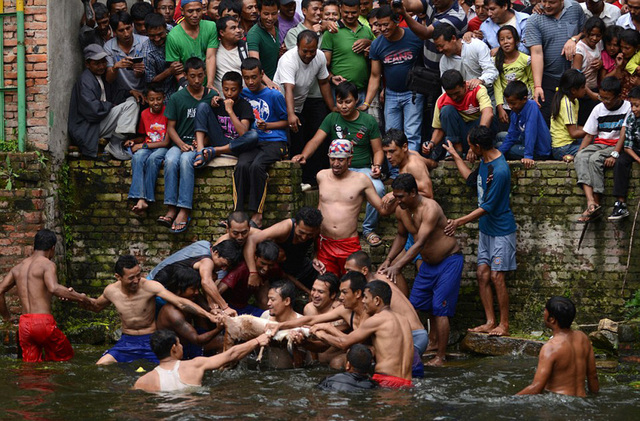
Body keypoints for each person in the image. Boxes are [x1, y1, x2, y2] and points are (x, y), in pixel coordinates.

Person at [379, 174, 462, 366]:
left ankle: (440, 356)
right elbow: (401, 236)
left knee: (440, 308)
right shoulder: (401, 210)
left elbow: (420, 243)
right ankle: (410, 347)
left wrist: (397, 266)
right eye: (396, 196)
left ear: (413, 193)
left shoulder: (430, 208)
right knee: (413, 305)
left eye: (401, 197)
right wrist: (389, 260)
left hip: (448, 261)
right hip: (427, 265)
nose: (397, 201)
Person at [292, 83, 386, 248]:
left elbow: (378, 150)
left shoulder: (368, 120)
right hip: (337, 167)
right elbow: (315, 140)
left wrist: (376, 165)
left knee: (378, 188)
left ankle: (368, 229)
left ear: (356, 100)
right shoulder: (332, 118)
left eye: (348, 102)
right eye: (340, 102)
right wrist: (303, 155)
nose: (343, 106)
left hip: (362, 171)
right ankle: (323, 231)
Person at [444, 126, 517, 337]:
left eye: (469, 145)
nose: (469, 148)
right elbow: (471, 180)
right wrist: (456, 156)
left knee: (497, 277)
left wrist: (459, 221)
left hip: (501, 231)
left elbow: (488, 207)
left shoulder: (500, 170)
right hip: (486, 231)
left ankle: (504, 324)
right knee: (482, 275)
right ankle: (489, 321)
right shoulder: (484, 162)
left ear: (477, 146)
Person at [85, 255, 219, 365]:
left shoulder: (150, 287)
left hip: (150, 340)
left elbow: (181, 302)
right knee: (101, 366)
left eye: (138, 275)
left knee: (170, 370)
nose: (136, 280)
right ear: (118, 277)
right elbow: (96, 306)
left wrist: (208, 315)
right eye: (131, 278)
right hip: (127, 341)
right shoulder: (111, 291)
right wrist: (78, 298)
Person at [0, 230, 91, 362]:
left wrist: (7, 318)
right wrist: (81, 297)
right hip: (43, 323)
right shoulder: (47, 264)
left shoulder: (18, 268)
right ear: (52, 248)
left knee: (31, 369)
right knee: (65, 356)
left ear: (34, 246)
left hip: (24, 324)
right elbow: (53, 287)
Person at [312, 281, 414, 388]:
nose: (363, 301)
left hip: (386, 381)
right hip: (408, 383)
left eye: (365, 297)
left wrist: (320, 334)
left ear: (377, 300)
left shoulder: (376, 319)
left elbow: (344, 343)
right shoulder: (404, 320)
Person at [344, 251, 429, 375]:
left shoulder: (371, 290)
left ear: (364, 270)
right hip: (419, 333)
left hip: (412, 335)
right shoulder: (381, 277)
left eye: (349, 270)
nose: (347, 274)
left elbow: (361, 329)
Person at [157, 57, 216, 234]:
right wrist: (181, 143)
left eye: (200, 76)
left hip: (199, 145)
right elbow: (171, 128)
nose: (197, 80)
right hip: (180, 142)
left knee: (185, 161)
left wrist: (203, 142)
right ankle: (170, 208)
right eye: (192, 76)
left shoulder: (212, 96)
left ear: (205, 75)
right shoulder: (177, 97)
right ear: (186, 77)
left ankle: (184, 210)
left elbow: (216, 127)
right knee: (170, 159)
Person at [273, 30, 334, 185]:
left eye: (312, 51)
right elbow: (288, 89)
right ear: (297, 47)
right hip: (283, 105)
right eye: (304, 51)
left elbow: (324, 83)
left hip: (301, 103)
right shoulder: (288, 60)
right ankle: (294, 181)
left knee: (313, 137)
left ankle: (311, 178)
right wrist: (291, 114)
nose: (308, 55)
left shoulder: (319, 57)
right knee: (293, 142)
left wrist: (332, 107)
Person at [234, 58, 288, 228]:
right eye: (247, 77)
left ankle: (257, 214)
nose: (250, 81)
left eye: (254, 77)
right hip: (253, 141)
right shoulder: (242, 94)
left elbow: (287, 121)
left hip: (274, 140)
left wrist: (269, 125)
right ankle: (237, 213)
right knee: (242, 165)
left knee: (257, 166)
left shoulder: (274, 95)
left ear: (262, 75)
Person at [363, 5, 425, 153]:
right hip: (391, 94)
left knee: (411, 134)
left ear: (396, 21)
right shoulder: (377, 45)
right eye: (379, 25)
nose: (382, 29)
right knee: (391, 135)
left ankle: (411, 171)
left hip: (413, 93)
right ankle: (395, 173)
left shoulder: (414, 37)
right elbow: (375, 75)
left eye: (386, 24)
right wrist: (367, 102)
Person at [133, 329, 270, 392]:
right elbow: (230, 355)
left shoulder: (144, 380)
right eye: (179, 343)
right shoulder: (195, 364)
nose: (182, 346)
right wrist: (258, 340)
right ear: (173, 348)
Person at [516, 297, 599, 396]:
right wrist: (595, 398)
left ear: (552, 319)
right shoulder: (583, 338)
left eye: (545, 311)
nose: (543, 313)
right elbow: (593, 376)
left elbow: (536, 388)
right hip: (582, 400)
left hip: (558, 405)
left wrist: (509, 400)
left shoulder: (550, 348)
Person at [68, 44, 139, 159]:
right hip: (88, 126)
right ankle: (115, 144)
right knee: (130, 105)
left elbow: (115, 95)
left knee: (132, 100)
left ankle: (117, 141)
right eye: (97, 63)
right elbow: (93, 110)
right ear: (87, 64)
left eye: (103, 62)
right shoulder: (85, 80)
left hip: (99, 121)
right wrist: (110, 105)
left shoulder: (101, 76)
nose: (101, 66)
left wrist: (130, 92)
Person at [575, 77, 630, 223]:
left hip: (615, 145)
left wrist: (615, 154)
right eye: (602, 97)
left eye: (608, 99)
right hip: (600, 144)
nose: (604, 101)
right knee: (581, 157)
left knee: (595, 159)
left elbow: (623, 135)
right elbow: (589, 135)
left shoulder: (628, 107)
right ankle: (590, 202)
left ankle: (597, 202)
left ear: (619, 96)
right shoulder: (598, 109)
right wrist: (579, 153)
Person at [525, 0, 586, 124]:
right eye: (543, 1)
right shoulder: (534, 20)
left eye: (552, 2)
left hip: (575, 77)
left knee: (577, 119)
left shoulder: (575, 8)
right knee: (549, 120)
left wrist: (574, 39)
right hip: (549, 78)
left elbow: (586, 31)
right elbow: (536, 53)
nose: (546, 5)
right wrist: (538, 86)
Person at [148, 239, 242, 315]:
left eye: (227, 267)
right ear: (216, 253)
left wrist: (211, 305)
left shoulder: (204, 244)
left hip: (157, 282)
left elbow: (206, 281)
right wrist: (225, 307)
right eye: (223, 264)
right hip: (157, 287)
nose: (224, 269)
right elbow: (206, 282)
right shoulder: (207, 261)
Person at [244, 207, 325, 293]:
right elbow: (251, 240)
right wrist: (253, 272)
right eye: (301, 232)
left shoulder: (317, 231)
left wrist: (315, 257)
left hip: (299, 264)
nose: (304, 237)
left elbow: (317, 242)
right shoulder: (285, 228)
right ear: (295, 224)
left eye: (309, 235)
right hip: (278, 268)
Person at [423, 69, 493, 159]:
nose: (454, 97)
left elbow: (488, 113)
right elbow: (439, 128)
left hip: (478, 135)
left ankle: (483, 149)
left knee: (491, 117)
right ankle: (456, 150)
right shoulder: (442, 100)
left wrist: (476, 142)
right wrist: (431, 143)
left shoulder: (477, 90)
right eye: (450, 95)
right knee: (446, 111)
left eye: (457, 93)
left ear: (464, 85)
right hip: (461, 135)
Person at [193, 70, 258, 165]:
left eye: (233, 90)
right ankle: (200, 150)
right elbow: (211, 128)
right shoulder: (218, 104)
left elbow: (243, 133)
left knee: (253, 136)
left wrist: (230, 111)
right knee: (202, 106)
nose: (229, 93)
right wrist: (203, 141)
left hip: (237, 145)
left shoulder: (245, 105)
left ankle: (216, 151)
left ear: (240, 90)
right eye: (226, 89)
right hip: (221, 140)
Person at [156, 267, 222, 359]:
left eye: (197, 289)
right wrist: (219, 329)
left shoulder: (193, 297)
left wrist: (215, 312)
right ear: (179, 290)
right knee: (221, 342)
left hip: (190, 339)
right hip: (180, 350)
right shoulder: (173, 313)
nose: (196, 292)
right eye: (193, 289)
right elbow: (197, 340)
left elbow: (208, 310)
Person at [125, 84, 170, 215]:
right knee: (137, 157)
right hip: (148, 145)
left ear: (164, 98)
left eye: (158, 99)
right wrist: (134, 141)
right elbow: (144, 136)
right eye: (152, 99)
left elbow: (165, 142)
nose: (155, 102)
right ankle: (141, 198)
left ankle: (146, 198)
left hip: (161, 147)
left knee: (153, 160)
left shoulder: (168, 113)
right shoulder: (144, 114)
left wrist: (143, 146)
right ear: (146, 99)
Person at [320, 0, 374, 100]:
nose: (349, 16)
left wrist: (370, 44)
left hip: (362, 91)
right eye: (346, 12)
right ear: (340, 9)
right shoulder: (332, 31)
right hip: (340, 92)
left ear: (359, 10)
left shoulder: (366, 30)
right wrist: (331, 78)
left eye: (353, 12)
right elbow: (324, 64)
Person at [218, 240, 283, 315]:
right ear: (255, 257)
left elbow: (285, 276)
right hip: (230, 308)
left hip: (245, 308)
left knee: (269, 317)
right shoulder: (242, 269)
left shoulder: (273, 268)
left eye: (270, 265)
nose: (266, 268)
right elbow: (219, 290)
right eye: (263, 263)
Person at [496, 80, 552, 167]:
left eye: (513, 103)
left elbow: (531, 131)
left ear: (524, 99)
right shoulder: (515, 111)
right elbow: (512, 135)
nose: (510, 106)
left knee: (499, 145)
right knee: (500, 136)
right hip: (524, 140)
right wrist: (498, 153)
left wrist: (528, 156)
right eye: (508, 103)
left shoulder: (532, 106)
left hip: (539, 150)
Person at [104, 11, 147, 121]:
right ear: (114, 32)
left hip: (145, 91)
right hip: (123, 94)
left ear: (132, 26)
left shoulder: (144, 42)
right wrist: (116, 67)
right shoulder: (109, 47)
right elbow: (108, 79)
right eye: (121, 30)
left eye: (128, 28)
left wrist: (141, 71)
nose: (126, 33)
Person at [166, 0, 219, 90]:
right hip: (186, 84)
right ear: (182, 11)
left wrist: (210, 84)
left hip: (208, 81)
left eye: (198, 10)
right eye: (190, 11)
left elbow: (210, 57)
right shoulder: (173, 36)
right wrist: (188, 88)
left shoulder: (211, 27)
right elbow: (177, 68)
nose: (195, 15)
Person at [434, 23, 498, 89]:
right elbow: (446, 86)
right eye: (437, 47)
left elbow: (491, 71)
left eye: (441, 46)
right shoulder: (444, 61)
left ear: (453, 38)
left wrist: (480, 80)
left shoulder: (476, 45)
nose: (440, 50)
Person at [260, 280, 307, 368]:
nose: (268, 303)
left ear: (287, 301)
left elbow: (302, 363)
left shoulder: (301, 323)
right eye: (268, 299)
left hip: (293, 375)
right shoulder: (266, 316)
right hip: (269, 373)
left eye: (272, 300)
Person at [493, 25, 533, 126]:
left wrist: (534, 100)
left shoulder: (525, 59)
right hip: (508, 106)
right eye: (502, 39)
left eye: (509, 38)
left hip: (525, 102)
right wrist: (500, 107)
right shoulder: (496, 62)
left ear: (516, 40)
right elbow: (497, 86)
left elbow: (531, 80)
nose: (506, 42)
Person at [610, 86, 640, 220]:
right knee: (621, 162)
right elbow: (627, 147)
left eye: (637, 105)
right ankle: (620, 203)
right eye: (632, 105)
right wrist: (639, 160)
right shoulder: (631, 119)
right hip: (634, 149)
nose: (633, 109)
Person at [550, 69, 587, 162]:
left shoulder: (574, 101)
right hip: (562, 148)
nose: (585, 89)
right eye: (583, 87)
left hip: (569, 143)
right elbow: (574, 133)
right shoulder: (566, 103)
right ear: (573, 90)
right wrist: (592, 130)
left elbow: (573, 126)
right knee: (593, 149)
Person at [572, 16, 605, 120]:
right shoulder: (580, 50)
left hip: (594, 88)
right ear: (585, 32)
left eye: (598, 35)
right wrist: (590, 94)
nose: (594, 38)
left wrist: (600, 63)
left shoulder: (599, 44)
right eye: (591, 35)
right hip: (583, 92)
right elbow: (576, 76)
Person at [144, 12, 182, 102]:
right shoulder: (148, 53)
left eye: (160, 34)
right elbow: (151, 81)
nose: (157, 38)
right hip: (164, 91)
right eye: (152, 36)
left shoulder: (173, 31)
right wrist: (169, 71)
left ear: (165, 28)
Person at [246, 0, 283, 88]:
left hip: (277, 79)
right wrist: (269, 83)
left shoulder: (275, 26)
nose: (270, 18)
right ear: (259, 12)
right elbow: (255, 64)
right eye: (266, 14)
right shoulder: (254, 34)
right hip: (263, 86)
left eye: (274, 14)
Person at [213, 16, 247, 95]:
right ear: (222, 32)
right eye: (233, 28)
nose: (238, 31)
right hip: (221, 100)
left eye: (238, 27)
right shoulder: (213, 50)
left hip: (243, 98)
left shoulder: (245, 48)